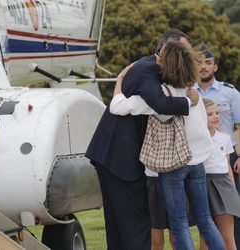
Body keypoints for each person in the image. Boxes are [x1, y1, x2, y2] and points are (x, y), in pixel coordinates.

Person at [85, 29, 199, 250]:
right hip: (120, 158)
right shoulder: (147, 70)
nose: (187, 57)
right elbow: (162, 106)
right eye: (184, 52)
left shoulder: (152, 70)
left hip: (110, 154)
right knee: (136, 223)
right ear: (167, 50)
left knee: (120, 225)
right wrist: (188, 101)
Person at [109, 40, 226, 250]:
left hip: (173, 163)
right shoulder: (193, 91)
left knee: (179, 224)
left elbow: (118, 107)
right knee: (205, 220)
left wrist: (119, 81)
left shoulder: (159, 94)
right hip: (198, 162)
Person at [195, 44, 240, 248]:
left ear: (215, 67)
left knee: (230, 217)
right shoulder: (189, 93)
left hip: (229, 158)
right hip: (201, 161)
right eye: (199, 63)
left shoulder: (229, 93)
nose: (204, 67)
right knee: (206, 223)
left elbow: (238, 125)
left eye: (208, 63)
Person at [199, 98, 240, 250]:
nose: (215, 116)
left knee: (228, 237)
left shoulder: (225, 138)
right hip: (204, 185)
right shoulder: (198, 139)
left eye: (217, 113)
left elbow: (227, 165)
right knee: (205, 238)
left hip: (224, 187)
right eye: (210, 114)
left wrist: (232, 190)